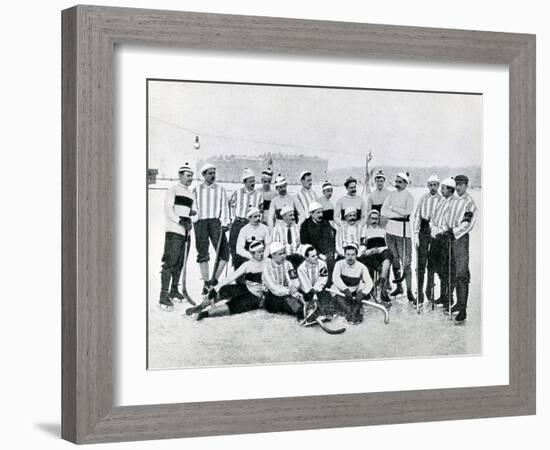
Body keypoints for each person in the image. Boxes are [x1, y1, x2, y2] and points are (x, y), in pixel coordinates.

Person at [195, 241, 267, 320]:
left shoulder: (268, 262)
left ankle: (206, 314)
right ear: (252, 253)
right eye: (259, 252)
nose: (262, 254)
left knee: (234, 305)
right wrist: (216, 288)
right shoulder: (247, 265)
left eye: (263, 251)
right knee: (223, 289)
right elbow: (231, 277)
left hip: (256, 296)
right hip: (247, 288)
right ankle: (201, 306)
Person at [158, 163, 197, 311]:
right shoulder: (172, 190)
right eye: (188, 175)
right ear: (180, 176)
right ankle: (163, 295)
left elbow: (194, 211)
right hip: (174, 231)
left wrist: (190, 216)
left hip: (186, 232)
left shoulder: (191, 193)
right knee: (170, 262)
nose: (190, 178)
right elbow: (168, 209)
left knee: (181, 262)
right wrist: (180, 220)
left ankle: (174, 290)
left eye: (192, 176)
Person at [192, 163, 230, 294]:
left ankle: (213, 281)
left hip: (215, 223)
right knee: (203, 253)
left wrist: (225, 222)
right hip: (200, 223)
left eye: (214, 173)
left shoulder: (220, 190)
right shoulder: (196, 190)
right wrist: (194, 219)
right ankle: (206, 282)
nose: (213, 175)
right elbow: (193, 209)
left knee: (224, 253)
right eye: (210, 173)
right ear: (203, 175)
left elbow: (225, 207)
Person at [446, 174, 478, 322]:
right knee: (451, 270)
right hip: (448, 237)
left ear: (466, 185)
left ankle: (463, 309)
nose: (458, 187)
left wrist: (454, 232)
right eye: (456, 184)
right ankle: (458, 302)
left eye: (461, 184)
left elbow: (467, 223)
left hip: (460, 239)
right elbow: (446, 217)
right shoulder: (452, 200)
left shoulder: (469, 202)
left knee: (461, 272)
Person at [381, 172, 415, 302]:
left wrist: (393, 209)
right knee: (394, 260)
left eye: (400, 182)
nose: (397, 184)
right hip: (391, 231)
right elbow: (384, 212)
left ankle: (410, 290)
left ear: (406, 183)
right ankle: (399, 287)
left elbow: (407, 212)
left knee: (406, 262)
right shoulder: (390, 195)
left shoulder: (409, 196)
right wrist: (398, 214)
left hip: (404, 233)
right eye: (396, 181)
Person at [428, 177, 458, 309]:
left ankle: (449, 298)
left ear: (450, 190)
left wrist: (445, 230)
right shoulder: (442, 201)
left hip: (447, 238)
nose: (441, 190)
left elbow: (452, 221)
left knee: (447, 269)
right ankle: (443, 295)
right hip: (437, 237)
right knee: (439, 268)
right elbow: (435, 218)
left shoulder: (455, 203)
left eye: (443, 188)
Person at [412, 175, 443, 303]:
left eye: (435, 185)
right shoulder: (423, 198)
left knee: (432, 262)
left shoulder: (442, 200)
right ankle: (419, 293)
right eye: (430, 185)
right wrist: (415, 233)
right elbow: (417, 216)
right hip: (424, 229)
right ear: (427, 186)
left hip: (435, 230)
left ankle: (429, 289)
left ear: (438, 186)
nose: (433, 187)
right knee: (421, 262)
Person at [262, 242, 308, 320]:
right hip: (272, 296)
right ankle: (302, 314)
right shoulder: (267, 268)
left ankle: (308, 310)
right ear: (273, 255)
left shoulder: (288, 264)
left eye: (284, 253)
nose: (283, 256)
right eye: (280, 254)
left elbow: (294, 279)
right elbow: (274, 288)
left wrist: (294, 287)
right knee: (290, 302)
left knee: (301, 294)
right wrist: (289, 291)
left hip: (287, 291)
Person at [331, 242, 374, 325]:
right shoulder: (339, 264)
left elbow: (369, 282)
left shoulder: (362, 267)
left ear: (356, 255)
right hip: (343, 291)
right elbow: (335, 278)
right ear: (344, 255)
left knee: (363, 284)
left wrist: (362, 293)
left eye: (353, 255)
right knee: (333, 288)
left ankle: (355, 308)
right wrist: (345, 289)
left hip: (355, 290)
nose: (350, 257)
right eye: (348, 254)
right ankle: (349, 311)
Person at [228, 168, 263, 270]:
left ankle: (248, 275)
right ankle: (237, 275)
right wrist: (229, 219)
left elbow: (261, 211)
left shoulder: (258, 195)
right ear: (244, 182)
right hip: (238, 223)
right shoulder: (236, 193)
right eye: (250, 181)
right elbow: (227, 205)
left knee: (249, 250)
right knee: (235, 249)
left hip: (251, 225)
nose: (253, 183)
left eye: (254, 181)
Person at [358, 210, 393, 305]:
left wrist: (382, 249)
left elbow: (387, 245)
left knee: (388, 256)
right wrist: (368, 251)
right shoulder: (365, 231)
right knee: (381, 263)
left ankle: (381, 284)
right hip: (371, 254)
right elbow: (362, 247)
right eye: (372, 218)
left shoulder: (383, 231)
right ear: (369, 219)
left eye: (376, 219)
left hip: (382, 253)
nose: (374, 221)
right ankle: (379, 290)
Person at [297, 245, 334, 314]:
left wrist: (316, 288)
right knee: (304, 304)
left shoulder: (322, 264)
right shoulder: (301, 268)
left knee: (326, 301)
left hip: (318, 289)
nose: (316, 257)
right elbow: (304, 282)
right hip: (307, 291)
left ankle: (323, 312)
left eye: (316, 255)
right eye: (313, 256)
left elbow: (323, 278)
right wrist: (311, 291)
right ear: (306, 258)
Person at [299, 201, 335, 266]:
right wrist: (319, 254)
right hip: (313, 254)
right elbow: (305, 244)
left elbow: (331, 237)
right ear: (311, 214)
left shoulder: (325, 222)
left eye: (321, 212)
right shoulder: (305, 225)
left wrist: (331, 252)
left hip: (327, 253)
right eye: (318, 212)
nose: (321, 215)